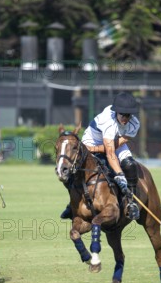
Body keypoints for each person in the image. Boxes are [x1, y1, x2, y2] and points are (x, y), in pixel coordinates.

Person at [60, 92, 141, 221]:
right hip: (91, 142)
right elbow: (109, 152)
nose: (125, 118)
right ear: (116, 112)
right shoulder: (108, 121)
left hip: (114, 142)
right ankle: (72, 205)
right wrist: (119, 173)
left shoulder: (134, 124)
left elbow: (116, 146)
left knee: (130, 165)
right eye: (122, 115)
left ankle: (131, 203)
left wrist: (121, 174)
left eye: (128, 115)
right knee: (74, 170)